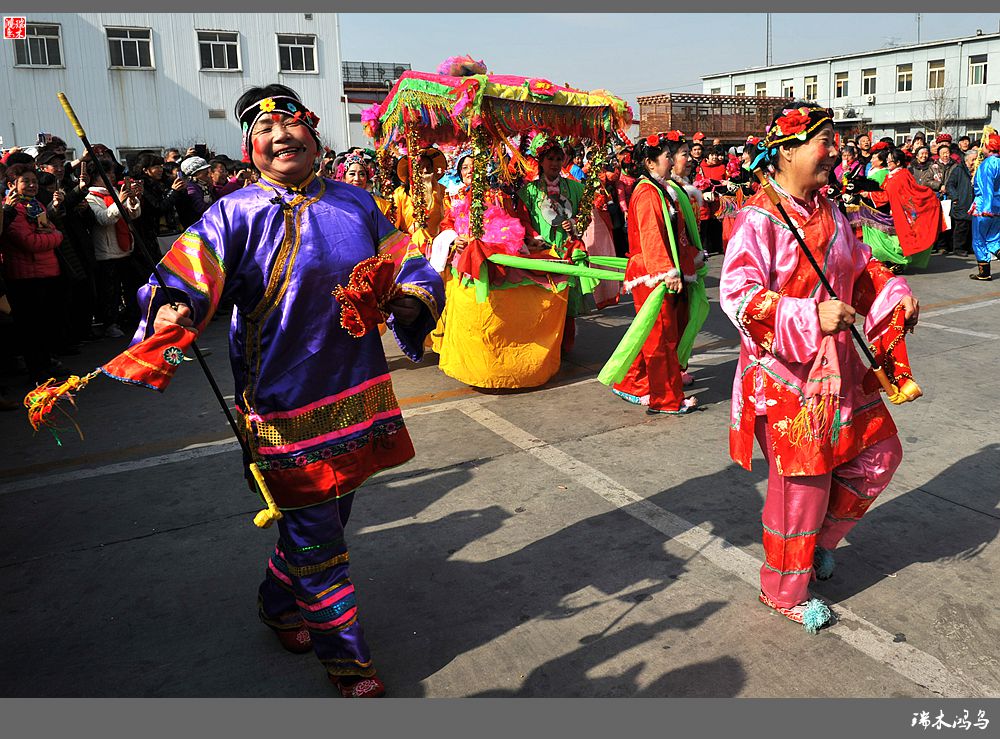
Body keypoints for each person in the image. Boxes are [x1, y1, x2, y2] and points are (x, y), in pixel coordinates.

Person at [142, 83, 444, 697]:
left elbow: (408, 266)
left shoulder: (359, 205)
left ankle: (278, 605)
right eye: (263, 131)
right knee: (319, 539)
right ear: (250, 148)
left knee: (329, 519)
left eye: (292, 125)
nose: (280, 137)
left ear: (315, 134)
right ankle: (348, 660)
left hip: (357, 394)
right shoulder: (234, 213)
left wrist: (411, 301)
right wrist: (174, 305)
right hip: (282, 404)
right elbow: (188, 269)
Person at [721, 103, 920, 633]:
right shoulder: (757, 219)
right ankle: (783, 587)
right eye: (821, 140)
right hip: (786, 375)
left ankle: (818, 545)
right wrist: (808, 313)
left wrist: (894, 292)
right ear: (785, 151)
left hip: (840, 367)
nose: (834, 150)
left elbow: (859, 268)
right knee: (802, 484)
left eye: (834, 139)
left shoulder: (830, 210)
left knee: (880, 452)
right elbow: (738, 298)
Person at [431, 151, 569, 388]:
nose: (470, 171)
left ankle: (513, 364)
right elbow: (446, 225)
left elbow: (515, 221)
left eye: (475, 166)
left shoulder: (500, 195)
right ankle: (477, 367)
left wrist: (529, 238)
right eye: (465, 167)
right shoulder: (452, 198)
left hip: (502, 256)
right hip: (468, 264)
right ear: (459, 172)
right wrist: (454, 239)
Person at [611, 131, 706, 414]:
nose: (677, 160)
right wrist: (668, 271)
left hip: (661, 271)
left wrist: (688, 261)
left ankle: (642, 385)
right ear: (651, 163)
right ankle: (664, 400)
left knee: (661, 336)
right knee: (659, 339)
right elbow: (652, 236)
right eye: (669, 156)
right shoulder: (647, 192)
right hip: (652, 274)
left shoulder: (662, 189)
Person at [1, 164, 69, 383]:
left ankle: (47, 364)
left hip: (48, 271)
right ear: (12, 185)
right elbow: (29, 242)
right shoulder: (8, 211)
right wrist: (52, 236)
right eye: (25, 181)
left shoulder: (37, 204)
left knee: (48, 324)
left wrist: (52, 234)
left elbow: (57, 234)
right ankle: (37, 370)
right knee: (31, 327)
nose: (31, 185)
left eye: (34, 181)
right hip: (25, 276)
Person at [518, 136, 585, 352]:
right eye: (550, 159)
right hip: (542, 251)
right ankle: (543, 345)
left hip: (567, 248)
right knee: (543, 297)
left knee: (568, 296)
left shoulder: (575, 189)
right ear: (541, 161)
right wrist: (534, 237)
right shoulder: (529, 191)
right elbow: (522, 218)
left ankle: (565, 345)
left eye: (558, 158)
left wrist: (574, 224)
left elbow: (586, 215)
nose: (554, 163)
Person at [86, 159, 143, 338]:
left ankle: (130, 318)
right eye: (107, 173)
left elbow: (133, 215)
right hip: (106, 252)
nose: (111, 177)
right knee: (110, 291)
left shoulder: (116, 192)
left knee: (129, 287)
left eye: (112, 173)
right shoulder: (91, 197)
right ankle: (110, 323)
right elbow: (103, 219)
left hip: (125, 247)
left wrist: (133, 200)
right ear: (95, 177)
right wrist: (120, 201)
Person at [392, 147, 447, 253]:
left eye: (428, 167)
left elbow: (449, 218)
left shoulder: (443, 191)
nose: (425, 171)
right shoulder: (401, 193)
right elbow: (394, 226)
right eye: (420, 167)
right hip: (410, 247)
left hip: (439, 247)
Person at [969, 132, 1000, 281]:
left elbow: (986, 187)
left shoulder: (988, 164)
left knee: (979, 238)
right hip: (998, 207)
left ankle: (984, 272)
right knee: (993, 239)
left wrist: (986, 208)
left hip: (984, 207)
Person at [175, 156, 217, 228]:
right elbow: (199, 208)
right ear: (196, 173)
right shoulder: (190, 187)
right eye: (205, 172)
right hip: (197, 227)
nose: (209, 173)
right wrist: (217, 208)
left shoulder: (204, 185)